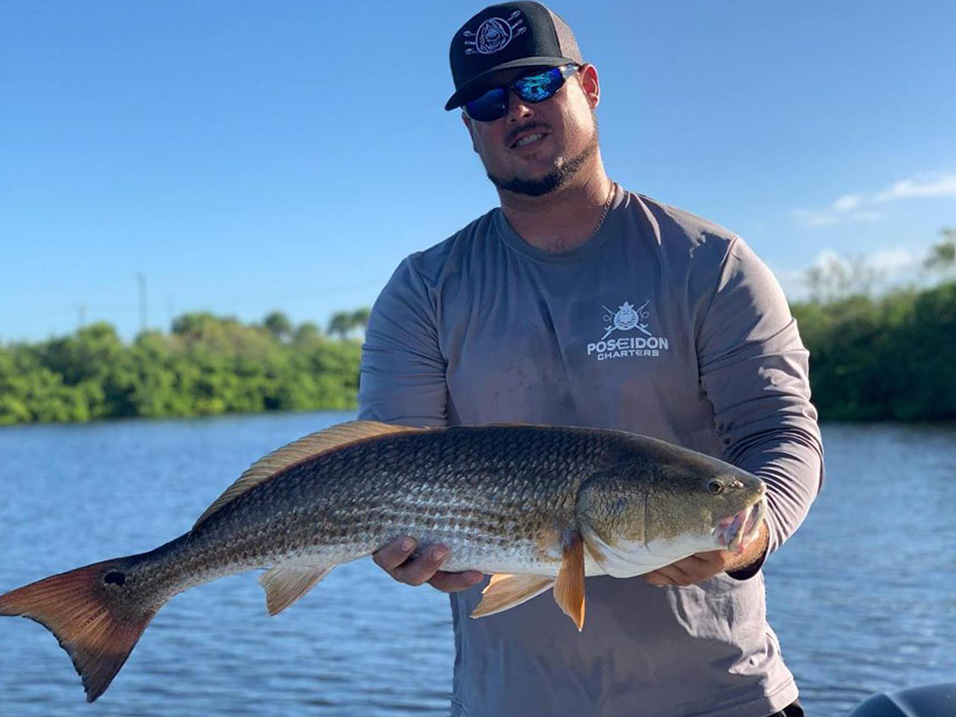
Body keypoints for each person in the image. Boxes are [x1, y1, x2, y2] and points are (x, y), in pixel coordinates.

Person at [358, 2, 823, 716]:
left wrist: (751, 535)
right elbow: (387, 463)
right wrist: (411, 551)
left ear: (591, 86)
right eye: (488, 99)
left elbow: (784, 433)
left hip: (725, 698)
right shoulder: (424, 289)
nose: (517, 109)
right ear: (469, 128)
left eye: (539, 84)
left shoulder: (712, 264)